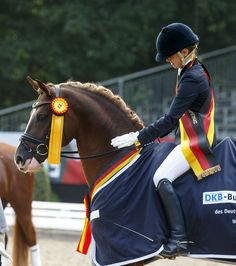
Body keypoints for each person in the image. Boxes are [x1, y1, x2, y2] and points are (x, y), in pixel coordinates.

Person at [111, 23, 221, 258]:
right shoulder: (189, 69)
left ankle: (179, 239)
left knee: (161, 176)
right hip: (187, 135)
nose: (168, 61)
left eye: (170, 57)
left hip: (196, 140)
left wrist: (138, 137)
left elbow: (171, 119)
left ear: (184, 52)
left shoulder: (192, 77)